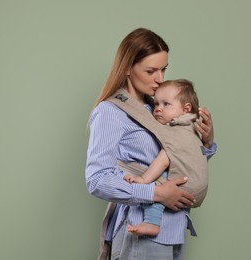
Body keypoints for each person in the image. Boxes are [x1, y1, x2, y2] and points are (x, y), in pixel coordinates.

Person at [86, 28, 217, 260]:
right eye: (151, 70)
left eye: (163, 69)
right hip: (140, 230)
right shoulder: (111, 112)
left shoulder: (159, 109)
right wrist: (155, 194)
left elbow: (176, 164)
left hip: (173, 228)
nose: (160, 79)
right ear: (127, 67)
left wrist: (206, 143)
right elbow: (97, 180)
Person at [123, 79, 205, 237]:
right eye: (157, 104)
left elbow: (163, 160)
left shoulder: (177, 132)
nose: (158, 109)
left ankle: (151, 223)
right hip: (196, 184)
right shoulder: (191, 127)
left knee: (158, 184)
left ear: (185, 109)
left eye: (166, 104)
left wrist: (144, 179)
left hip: (187, 186)